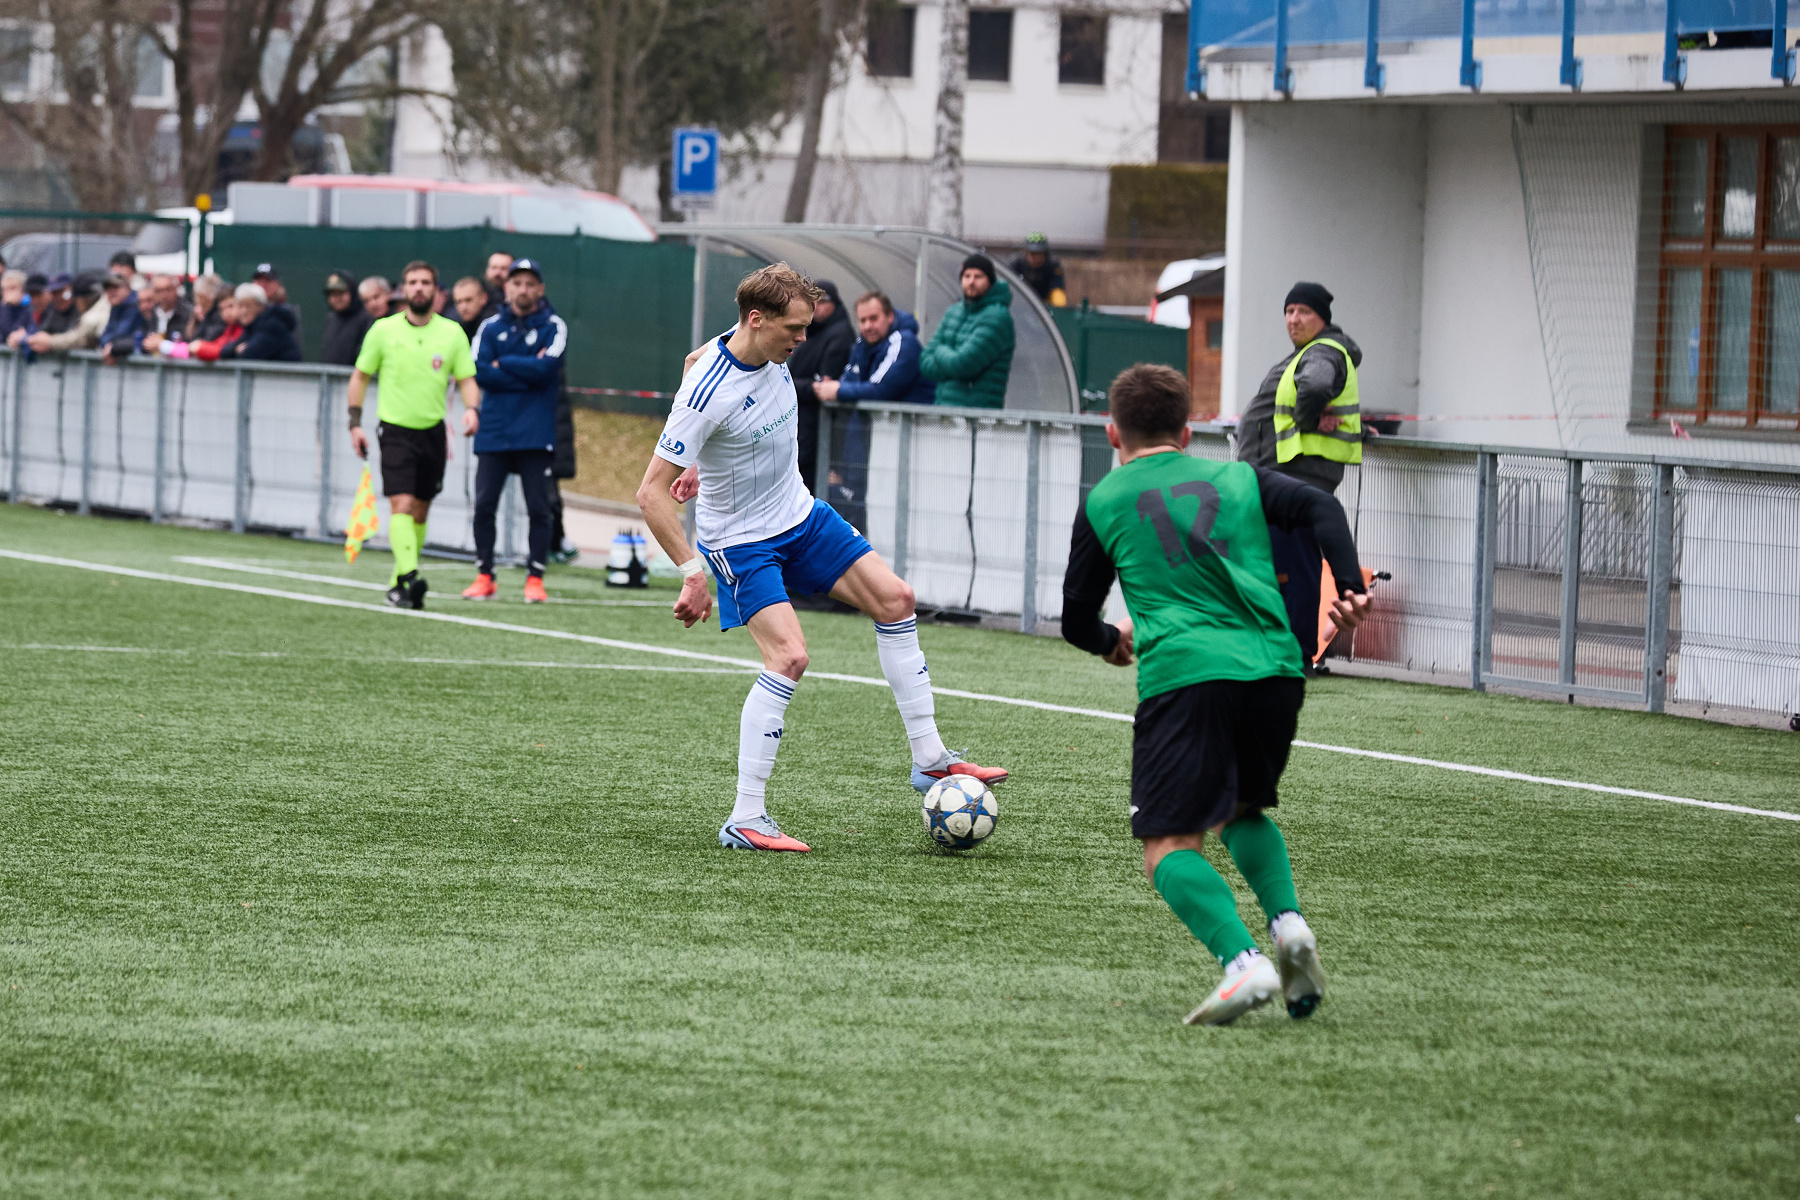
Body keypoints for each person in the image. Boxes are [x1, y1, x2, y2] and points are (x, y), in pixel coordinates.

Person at [635, 263, 1008, 854]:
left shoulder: (749, 347)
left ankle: (931, 759)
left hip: (801, 515)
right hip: (740, 540)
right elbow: (651, 493)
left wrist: (700, 461)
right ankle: (746, 816)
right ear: (756, 320)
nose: (803, 340)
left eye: (806, 327)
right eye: (794, 328)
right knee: (789, 657)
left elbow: (691, 358)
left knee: (897, 599)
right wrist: (690, 572)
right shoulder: (709, 389)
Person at [1060, 363, 1371, 1026]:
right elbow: (1321, 506)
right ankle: (1288, 924)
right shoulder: (1239, 477)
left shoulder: (1104, 500)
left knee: (1167, 845)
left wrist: (1110, 640)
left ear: (1112, 433)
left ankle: (1243, 961)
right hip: (1277, 670)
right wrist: (1349, 587)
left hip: (1187, 677)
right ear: (1188, 432)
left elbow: (1074, 620)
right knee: (1240, 809)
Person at [1235, 282, 1364, 668]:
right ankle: (1289, 651)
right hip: (1290, 474)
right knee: (1288, 567)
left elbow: (1317, 385)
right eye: (1289, 311)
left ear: (1322, 318)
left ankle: (1295, 655)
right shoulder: (1312, 352)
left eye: (1304, 311)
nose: (1294, 319)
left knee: (1294, 569)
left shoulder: (1322, 351)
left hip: (1294, 475)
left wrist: (1307, 420)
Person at [349, 261, 480, 609]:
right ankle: (410, 575)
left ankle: (400, 584)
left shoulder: (452, 333)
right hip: (394, 430)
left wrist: (472, 409)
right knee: (402, 504)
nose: (419, 287)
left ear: (436, 291)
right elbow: (360, 375)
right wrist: (354, 421)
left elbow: (467, 378)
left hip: (433, 431)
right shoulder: (383, 330)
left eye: (425, 282)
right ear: (403, 289)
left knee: (420, 511)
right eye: (412, 282)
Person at [462, 258, 566, 603]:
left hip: (535, 432)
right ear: (506, 288)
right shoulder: (489, 327)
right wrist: (526, 369)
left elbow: (547, 371)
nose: (523, 290)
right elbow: (480, 371)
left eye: (529, 284)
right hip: (494, 429)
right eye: (516, 283)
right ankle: (484, 575)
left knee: (539, 507)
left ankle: (535, 577)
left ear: (540, 289)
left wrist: (504, 362)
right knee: (484, 505)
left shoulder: (554, 326)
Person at [814, 290, 934, 525]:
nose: (868, 326)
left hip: (905, 445)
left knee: (892, 512)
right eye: (863, 320)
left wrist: (837, 390)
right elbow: (850, 380)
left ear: (890, 316)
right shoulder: (861, 344)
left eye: (874, 318)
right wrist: (838, 387)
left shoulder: (904, 343)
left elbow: (880, 389)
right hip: (867, 443)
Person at [786, 277, 854, 497]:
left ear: (834, 304)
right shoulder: (810, 332)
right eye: (812, 301)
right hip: (802, 424)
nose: (816, 307)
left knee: (811, 489)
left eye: (823, 301)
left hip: (820, 429)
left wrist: (797, 385)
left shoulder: (840, 335)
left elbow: (824, 385)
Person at [920, 254, 1015, 409]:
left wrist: (940, 350)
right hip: (943, 411)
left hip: (977, 416)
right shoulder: (953, 311)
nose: (971, 282)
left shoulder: (997, 317)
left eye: (978, 276)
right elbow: (925, 363)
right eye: (966, 276)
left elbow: (962, 365)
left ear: (990, 281)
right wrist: (951, 364)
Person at [222, 283, 302, 362]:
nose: (244, 311)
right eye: (240, 306)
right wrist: (234, 349)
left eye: (248, 306)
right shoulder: (251, 327)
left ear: (260, 307)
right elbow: (224, 352)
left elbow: (249, 355)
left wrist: (236, 352)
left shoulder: (271, 325)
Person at [149, 295, 240, 362]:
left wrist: (164, 345)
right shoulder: (229, 328)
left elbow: (217, 349)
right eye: (222, 309)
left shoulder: (220, 325)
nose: (197, 309)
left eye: (231, 306)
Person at [320, 270, 374, 366]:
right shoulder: (331, 318)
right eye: (332, 294)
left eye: (341, 293)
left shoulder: (365, 318)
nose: (336, 298)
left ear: (352, 293)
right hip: (328, 374)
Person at [1009, 232, 1068, 307]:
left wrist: (1057, 308)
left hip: (1045, 307)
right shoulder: (1017, 265)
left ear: (1045, 254)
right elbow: (1010, 289)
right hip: (1022, 304)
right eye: (1032, 254)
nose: (1035, 258)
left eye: (1039, 253)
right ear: (1026, 253)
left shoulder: (1052, 266)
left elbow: (1057, 292)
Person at [97, 274, 145, 363]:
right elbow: (105, 335)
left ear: (127, 288)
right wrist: (109, 345)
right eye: (108, 288)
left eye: (115, 287)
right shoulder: (116, 307)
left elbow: (121, 334)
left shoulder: (135, 306)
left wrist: (113, 347)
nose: (111, 292)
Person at [251, 263, 302, 346]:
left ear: (278, 284)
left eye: (268, 280)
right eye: (259, 280)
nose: (263, 285)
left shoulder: (286, 311)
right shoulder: (244, 309)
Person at [451, 275, 497, 341]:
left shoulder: (494, 325)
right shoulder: (458, 327)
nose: (463, 307)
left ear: (483, 298)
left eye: (468, 300)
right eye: (459, 302)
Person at [0, 269, 35, 344]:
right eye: (4, 289)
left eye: (12, 288)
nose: (8, 293)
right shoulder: (3, 309)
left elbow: (16, 331)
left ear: (23, 290)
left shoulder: (32, 307)